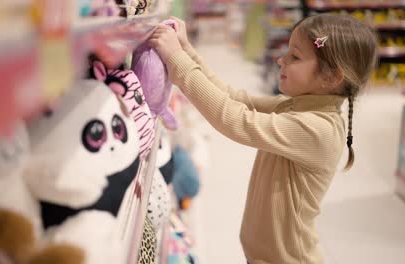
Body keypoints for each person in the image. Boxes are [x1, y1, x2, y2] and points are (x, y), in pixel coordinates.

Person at [149, 14, 378, 264]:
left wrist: (177, 62)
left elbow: (234, 119)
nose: (281, 60)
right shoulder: (297, 107)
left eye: (295, 57)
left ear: (331, 77)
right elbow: (235, 99)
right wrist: (186, 51)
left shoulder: (317, 129)